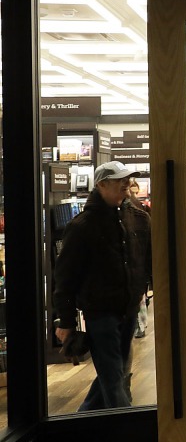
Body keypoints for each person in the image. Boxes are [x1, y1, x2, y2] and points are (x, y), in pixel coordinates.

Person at [53, 161, 147, 410]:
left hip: (128, 309)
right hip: (100, 313)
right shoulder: (81, 226)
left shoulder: (134, 218)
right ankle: (128, 425)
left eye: (127, 181)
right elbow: (65, 278)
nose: (126, 185)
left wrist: (141, 290)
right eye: (120, 181)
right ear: (102, 184)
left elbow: (142, 259)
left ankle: (80, 421)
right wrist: (66, 321)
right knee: (114, 377)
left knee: (114, 371)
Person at [125, 179, 153, 340]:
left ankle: (140, 326)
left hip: (136, 273)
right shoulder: (139, 210)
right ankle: (140, 326)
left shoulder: (139, 213)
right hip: (137, 274)